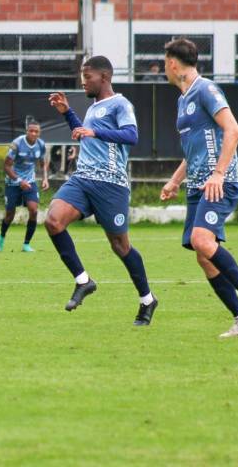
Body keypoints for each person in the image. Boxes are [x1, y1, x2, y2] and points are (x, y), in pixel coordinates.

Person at [160, 38, 238, 338]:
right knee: (202, 254)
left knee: (202, 241)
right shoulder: (183, 99)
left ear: (172, 63)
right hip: (197, 186)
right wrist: (175, 180)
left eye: (165, 63)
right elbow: (194, 150)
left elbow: (233, 129)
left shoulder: (206, 90)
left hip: (218, 184)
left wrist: (219, 174)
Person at [45, 56, 158, 326]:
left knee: (120, 246)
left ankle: (147, 300)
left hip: (111, 184)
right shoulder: (93, 108)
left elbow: (131, 136)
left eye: (88, 77)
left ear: (104, 77)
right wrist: (67, 113)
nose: (84, 82)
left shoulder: (120, 104)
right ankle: (83, 281)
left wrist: (95, 133)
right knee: (53, 221)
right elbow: (85, 133)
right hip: (83, 179)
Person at [0, 119, 49, 252]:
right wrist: (19, 181)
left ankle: (26, 244)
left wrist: (45, 179)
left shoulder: (41, 145)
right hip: (13, 183)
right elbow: (6, 166)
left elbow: (43, 164)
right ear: (27, 131)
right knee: (10, 214)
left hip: (30, 182)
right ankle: (1, 238)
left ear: (39, 133)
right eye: (31, 131)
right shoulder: (17, 144)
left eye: (36, 131)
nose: (33, 133)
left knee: (34, 210)